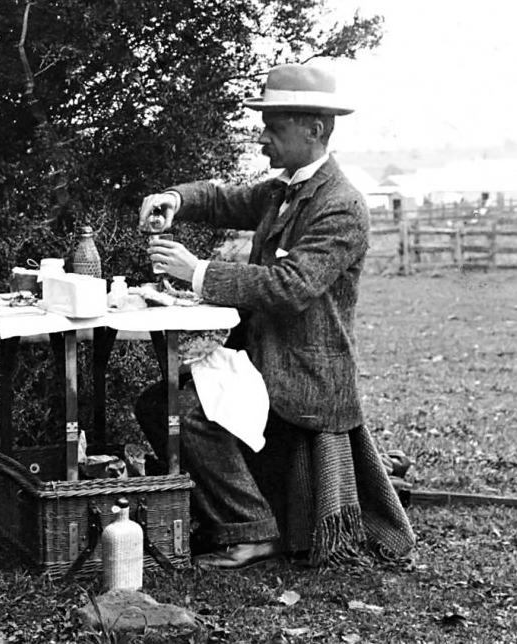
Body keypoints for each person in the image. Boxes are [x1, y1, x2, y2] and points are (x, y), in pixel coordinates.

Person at [136, 64, 415, 569]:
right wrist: (175, 198)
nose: (262, 137)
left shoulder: (342, 205)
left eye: (273, 126)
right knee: (159, 403)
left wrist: (195, 271)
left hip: (303, 374)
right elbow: (223, 198)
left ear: (315, 129)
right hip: (261, 360)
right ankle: (229, 514)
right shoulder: (283, 190)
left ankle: (252, 530)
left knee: (183, 409)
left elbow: (292, 288)